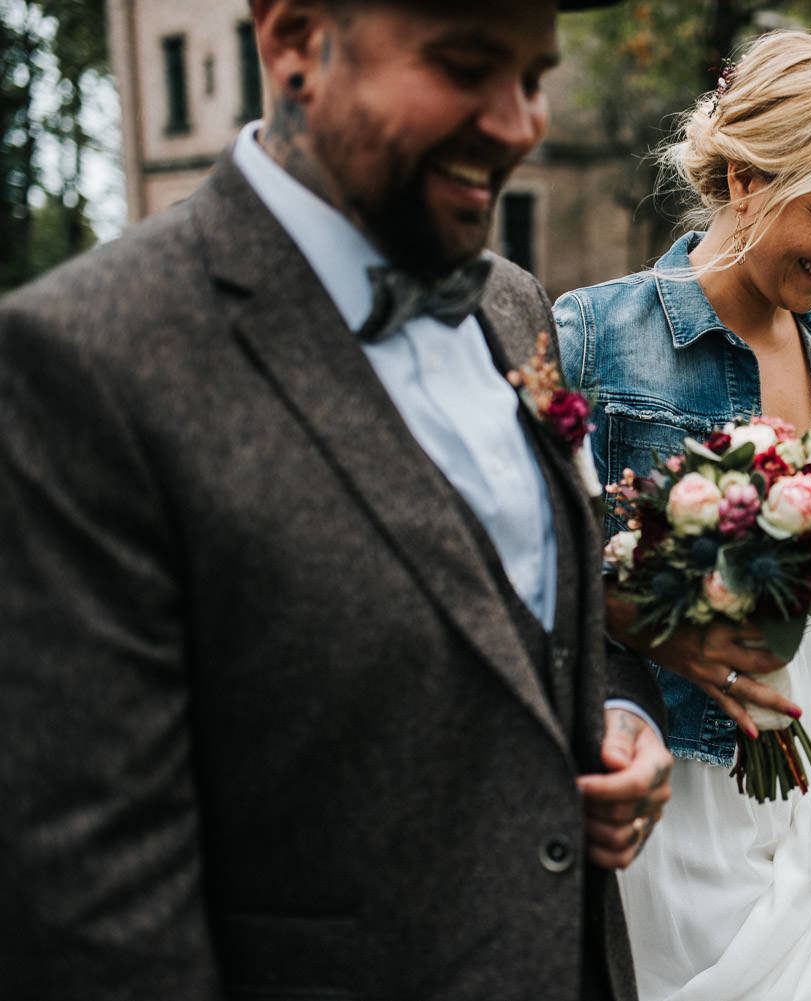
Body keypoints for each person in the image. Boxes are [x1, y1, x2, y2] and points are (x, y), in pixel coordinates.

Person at [0, 2, 676, 998]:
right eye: (465, 61)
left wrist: (619, 710)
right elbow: (94, 899)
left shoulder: (511, 303)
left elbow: (536, 616)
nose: (521, 121)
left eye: (533, 76)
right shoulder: (85, 360)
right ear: (294, 41)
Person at [554, 30, 811, 1001]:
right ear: (744, 178)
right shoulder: (594, 337)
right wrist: (629, 616)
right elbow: (524, 565)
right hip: (679, 775)